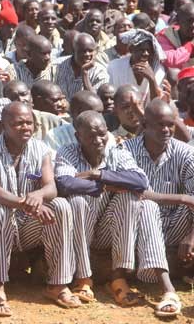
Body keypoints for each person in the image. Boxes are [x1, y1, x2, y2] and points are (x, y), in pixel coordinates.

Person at [0, 101, 80, 316]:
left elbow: (51, 187)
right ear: (4, 125)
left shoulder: (41, 149)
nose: (25, 128)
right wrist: (27, 204)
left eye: (29, 123)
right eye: (18, 123)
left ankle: (58, 285)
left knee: (60, 205)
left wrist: (39, 195)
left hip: (27, 226)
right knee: (0, 211)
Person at [55, 110, 149, 305]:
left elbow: (140, 181)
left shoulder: (116, 151)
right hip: (81, 227)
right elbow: (65, 183)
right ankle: (83, 279)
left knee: (130, 198)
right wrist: (108, 186)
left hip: (106, 229)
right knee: (77, 200)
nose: (98, 140)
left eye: (102, 133)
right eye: (91, 135)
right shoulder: (68, 151)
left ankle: (118, 278)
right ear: (78, 136)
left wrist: (98, 175)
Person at [119, 99, 192, 317]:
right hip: (137, 229)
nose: (167, 130)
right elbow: (135, 191)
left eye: (170, 124)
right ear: (144, 123)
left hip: (174, 229)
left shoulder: (185, 153)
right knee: (147, 206)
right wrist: (182, 198)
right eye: (160, 124)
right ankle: (168, 290)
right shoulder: (126, 150)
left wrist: (192, 235)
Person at [55, 33, 110, 101]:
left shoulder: (100, 72)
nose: (87, 54)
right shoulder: (57, 66)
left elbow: (95, 102)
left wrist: (85, 73)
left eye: (90, 51)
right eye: (83, 51)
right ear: (73, 51)